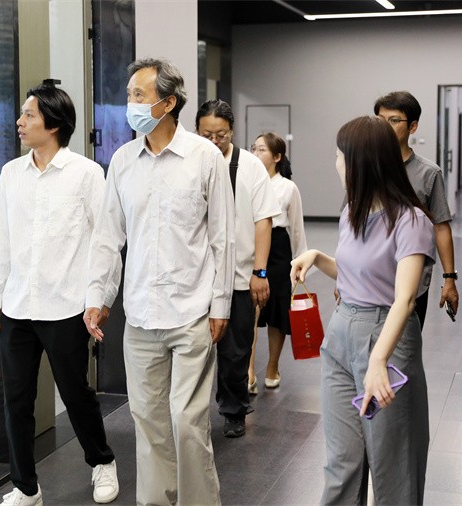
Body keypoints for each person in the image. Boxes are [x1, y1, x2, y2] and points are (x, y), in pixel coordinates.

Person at [83, 58, 234, 506]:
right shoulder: (122, 161)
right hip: (140, 316)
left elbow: (222, 238)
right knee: (148, 422)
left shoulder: (204, 158)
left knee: (187, 423)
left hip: (192, 312)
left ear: (167, 103)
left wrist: (221, 304)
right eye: (129, 94)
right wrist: (99, 296)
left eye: (138, 95)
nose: (129, 103)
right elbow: (108, 236)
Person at [0, 83, 119, 506]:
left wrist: (98, 297)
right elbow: (0, 238)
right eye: (22, 115)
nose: (20, 122)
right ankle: (26, 487)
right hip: (17, 306)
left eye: (29, 116)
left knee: (76, 394)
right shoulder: (11, 174)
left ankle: (102, 462)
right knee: (17, 400)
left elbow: (105, 242)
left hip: (66, 305)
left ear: (54, 124)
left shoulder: (86, 174)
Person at [291, 116, 433, 505]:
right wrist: (318, 257)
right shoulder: (352, 211)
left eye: (340, 156)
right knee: (342, 463)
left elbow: (404, 298)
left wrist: (378, 360)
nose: (336, 163)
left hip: (387, 338)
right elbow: (356, 275)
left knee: (394, 465)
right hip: (342, 334)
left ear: (360, 162)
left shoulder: (411, 221)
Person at [196, 100, 279, 438]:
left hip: (240, 277)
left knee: (235, 352)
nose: (214, 142)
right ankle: (192, 415)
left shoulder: (250, 166)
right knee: (194, 354)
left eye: (221, 135)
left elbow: (264, 221)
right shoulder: (190, 163)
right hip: (197, 277)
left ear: (232, 131)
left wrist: (260, 272)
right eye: (206, 135)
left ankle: (233, 409)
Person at [374, 91, 459, 328]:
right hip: (370, 277)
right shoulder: (366, 168)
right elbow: (352, 223)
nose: (385, 127)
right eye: (380, 120)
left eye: (394, 120)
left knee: (406, 344)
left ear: (412, 127)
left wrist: (449, 279)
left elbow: (441, 227)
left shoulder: (428, 173)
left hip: (412, 281)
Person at [248, 133, 307, 392]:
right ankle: (249, 370)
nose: (256, 153)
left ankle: (272, 367)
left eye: (262, 149)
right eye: (254, 148)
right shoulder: (247, 182)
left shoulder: (287, 187)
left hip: (280, 251)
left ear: (277, 157)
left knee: (276, 313)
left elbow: (296, 228)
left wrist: (301, 262)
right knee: (250, 310)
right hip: (253, 246)